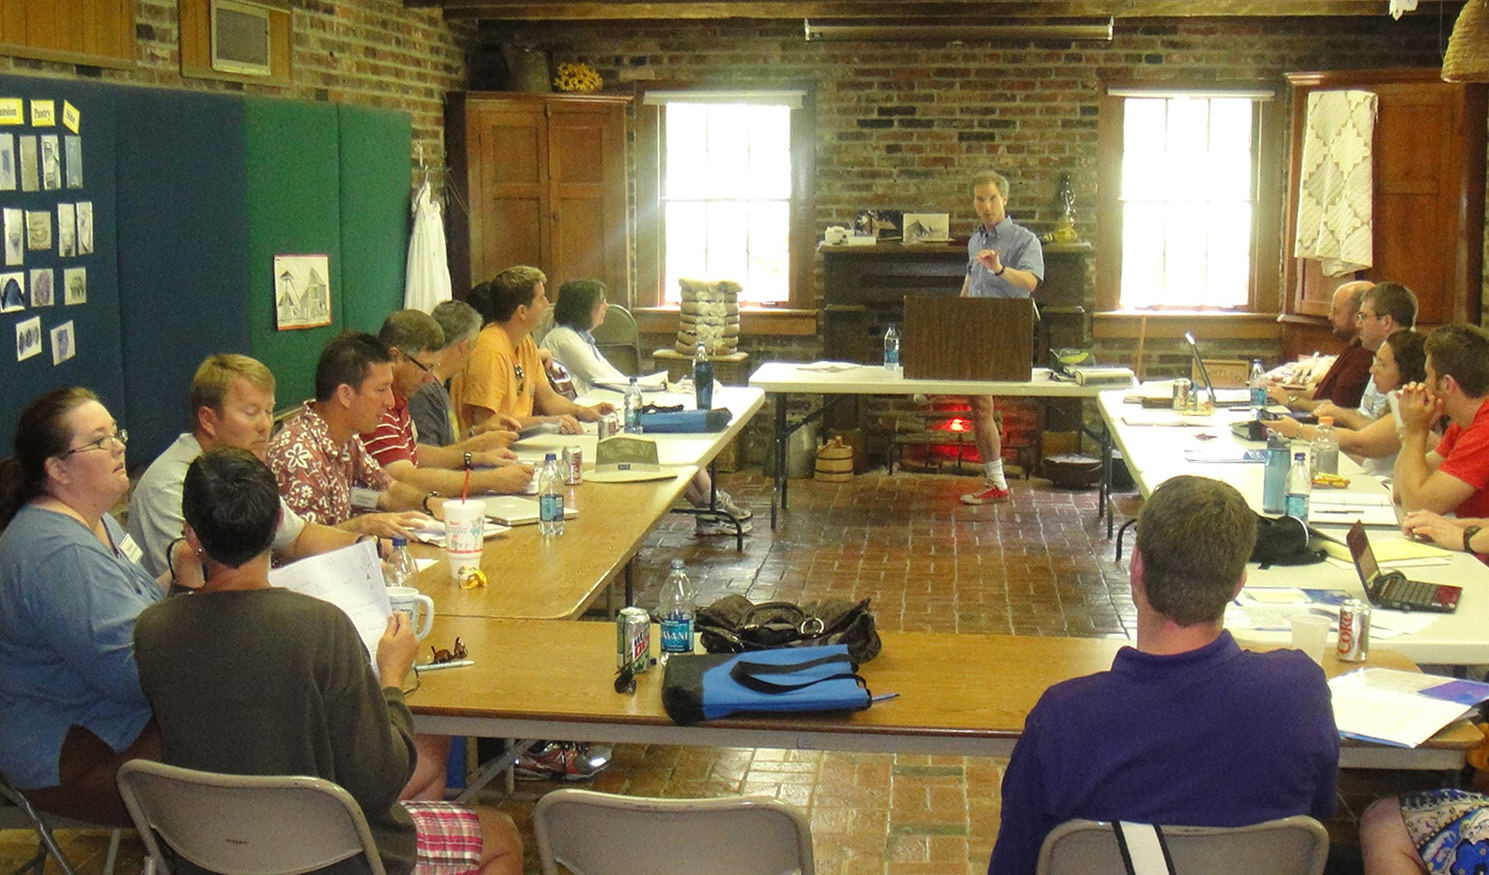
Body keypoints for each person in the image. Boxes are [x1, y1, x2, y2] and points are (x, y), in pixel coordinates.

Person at [133, 448, 522, 875]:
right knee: (500, 836)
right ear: (279, 524)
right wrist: (391, 681)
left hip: (205, 853)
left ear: (191, 536)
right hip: (329, 859)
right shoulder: (322, 627)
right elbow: (380, 782)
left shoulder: (152, 630)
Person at [987, 475, 1338, 874]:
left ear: (1137, 566)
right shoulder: (1299, 692)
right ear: (1238, 583)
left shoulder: (1064, 719)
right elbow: (1320, 808)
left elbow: (1014, 866)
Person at [0, 388, 165, 825]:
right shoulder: (55, 551)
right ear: (57, 469)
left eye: (116, 433)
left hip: (120, 722)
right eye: (99, 440)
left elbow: (140, 608)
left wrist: (186, 576)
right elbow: (134, 676)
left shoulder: (97, 518)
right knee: (245, 738)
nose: (119, 446)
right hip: (80, 754)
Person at [128, 353, 370, 580]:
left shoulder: (241, 470)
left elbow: (297, 538)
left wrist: (369, 546)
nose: (265, 425)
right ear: (208, 420)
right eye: (251, 412)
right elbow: (201, 581)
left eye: (269, 411)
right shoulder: (171, 485)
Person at [541, 279, 753, 535]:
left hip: (600, 412)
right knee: (663, 445)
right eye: (601, 302)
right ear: (584, 307)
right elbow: (607, 379)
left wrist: (652, 386)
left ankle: (708, 505)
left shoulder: (580, 337)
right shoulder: (563, 337)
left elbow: (611, 378)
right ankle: (709, 506)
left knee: (669, 443)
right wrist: (655, 385)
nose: (606, 306)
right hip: (589, 419)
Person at [267, 332, 446, 534]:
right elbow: (302, 546)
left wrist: (431, 503)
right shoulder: (298, 454)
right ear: (345, 395)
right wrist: (362, 526)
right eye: (381, 389)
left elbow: (387, 490)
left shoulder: (347, 439)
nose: (390, 401)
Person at [366, 309, 533, 496]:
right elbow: (405, 477)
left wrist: (478, 456)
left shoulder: (400, 395)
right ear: (395, 357)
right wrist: (492, 479)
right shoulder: (376, 405)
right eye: (425, 367)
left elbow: (413, 453)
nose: (429, 379)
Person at [957, 170, 1044, 505]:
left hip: (1006, 331)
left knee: (981, 404)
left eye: (992, 198)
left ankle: (997, 483)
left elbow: (1032, 283)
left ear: (1004, 199)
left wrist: (999, 269)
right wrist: (955, 318)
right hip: (974, 329)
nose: (986, 205)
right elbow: (969, 283)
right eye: (980, 199)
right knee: (979, 406)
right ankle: (996, 482)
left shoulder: (1024, 240)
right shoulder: (974, 240)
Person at [450, 265, 612, 435]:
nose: (547, 303)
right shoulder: (490, 351)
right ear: (522, 311)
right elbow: (487, 424)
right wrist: (546, 422)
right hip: (490, 451)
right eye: (541, 298)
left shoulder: (525, 342)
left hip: (518, 442)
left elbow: (548, 399)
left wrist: (582, 411)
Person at [1266, 329, 1426, 476]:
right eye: (1376, 361)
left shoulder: (1411, 409)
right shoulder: (1393, 401)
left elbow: (1360, 443)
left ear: (1406, 373)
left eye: (1382, 365)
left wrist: (1297, 429)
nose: (1372, 370)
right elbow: (1372, 459)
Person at [1394, 324, 1489, 517]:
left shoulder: (1484, 432)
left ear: (1447, 384)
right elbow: (1400, 492)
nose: (1424, 384)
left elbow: (1417, 508)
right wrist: (1417, 429)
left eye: (1428, 375)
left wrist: (1415, 431)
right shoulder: (1462, 424)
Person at [409, 297, 517, 448]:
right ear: (464, 346)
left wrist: (479, 431)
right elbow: (432, 458)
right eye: (474, 346)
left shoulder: (439, 387)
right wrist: (480, 446)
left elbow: (449, 445)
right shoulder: (425, 390)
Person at [1315, 281, 1418, 430]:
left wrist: (1300, 429)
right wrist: (1334, 411)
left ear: (1386, 321)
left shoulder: (1406, 357)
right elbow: (1365, 414)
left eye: (1363, 317)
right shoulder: (1382, 350)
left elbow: (1381, 433)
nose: (1358, 324)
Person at [1269, 280, 1374, 413]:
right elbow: (1323, 393)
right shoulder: (1353, 348)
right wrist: (1282, 392)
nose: (1330, 317)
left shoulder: (1363, 356)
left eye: (1336, 312)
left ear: (1357, 317)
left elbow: (1337, 407)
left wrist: (1290, 401)